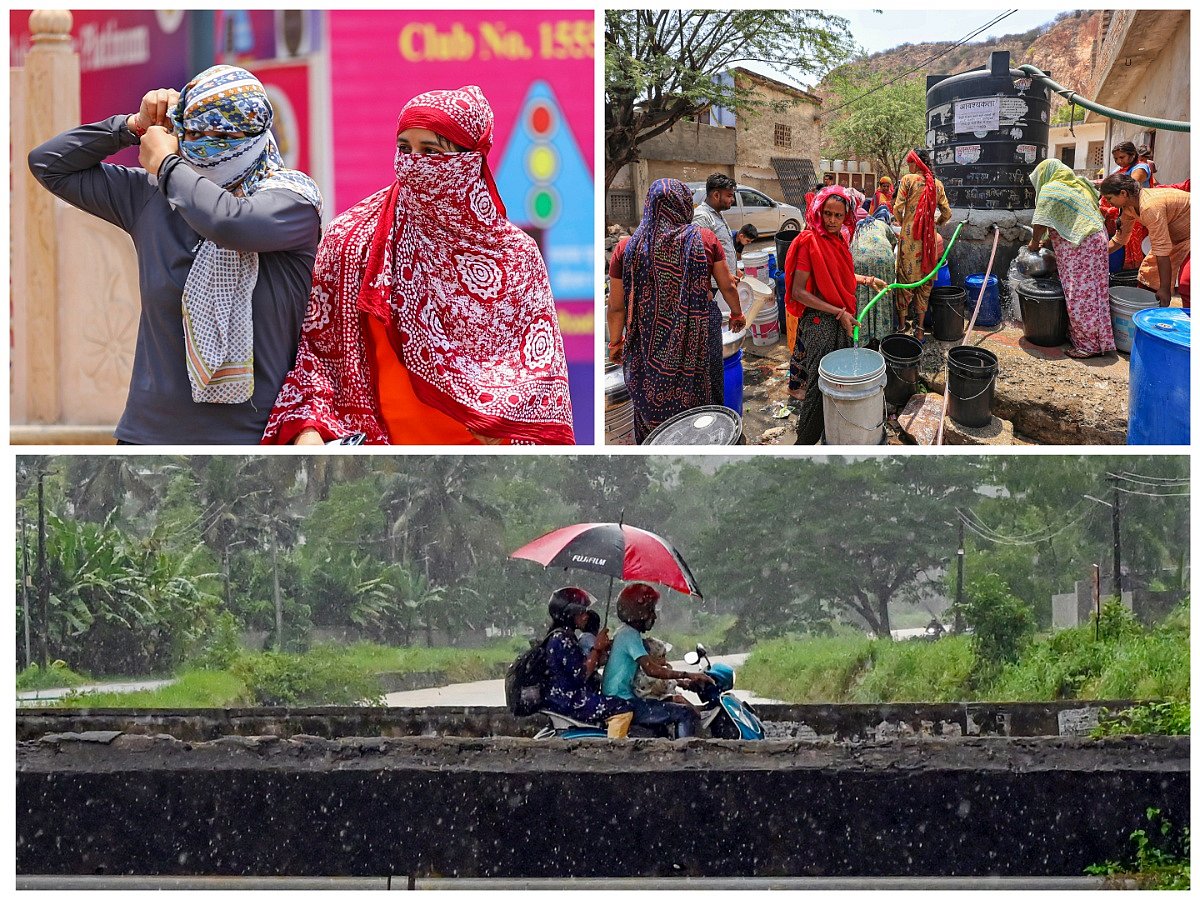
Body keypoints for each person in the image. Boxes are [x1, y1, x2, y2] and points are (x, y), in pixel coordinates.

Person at [263, 85, 574, 445]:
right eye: (404, 148)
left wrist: (506, 426)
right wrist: (309, 432)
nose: (413, 162)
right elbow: (317, 356)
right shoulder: (353, 241)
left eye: (430, 151)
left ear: (470, 160)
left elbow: (539, 369)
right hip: (380, 457)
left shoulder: (515, 255)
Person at [28, 66, 323, 444]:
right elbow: (49, 164)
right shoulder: (152, 195)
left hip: (250, 444)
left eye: (222, 136)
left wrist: (168, 165)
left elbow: (227, 223)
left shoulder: (291, 202)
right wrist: (132, 126)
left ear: (257, 135)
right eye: (194, 133)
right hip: (147, 438)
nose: (203, 146)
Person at [607, 179, 745, 443]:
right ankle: (709, 443)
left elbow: (616, 305)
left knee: (651, 407)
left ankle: (658, 446)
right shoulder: (704, 239)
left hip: (646, 341)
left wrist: (616, 342)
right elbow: (727, 285)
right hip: (699, 336)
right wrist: (737, 313)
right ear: (684, 205)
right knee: (705, 399)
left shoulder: (626, 248)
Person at [784, 186, 888, 444]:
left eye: (838, 215)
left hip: (840, 318)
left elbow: (841, 276)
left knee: (839, 386)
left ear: (846, 217)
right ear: (819, 212)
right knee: (819, 387)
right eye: (827, 214)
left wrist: (867, 279)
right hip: (820, 323)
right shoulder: (809, 241)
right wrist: (838, 312)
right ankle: (803, 446)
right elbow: (798, 292)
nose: (831, 220)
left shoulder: (839, 240)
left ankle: (833, 435)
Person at [1027, 159, 1117, 359]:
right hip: (1096, 239)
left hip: (1081, 246)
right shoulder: (1077, 186)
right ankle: (1098, 339)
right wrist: (1048, 241)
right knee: (1096, 291)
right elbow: (1067, 219)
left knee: (1080, 293)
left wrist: (1034, 243)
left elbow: (1040, 222)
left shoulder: (1051, 189)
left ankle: (1088, 345)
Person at [601, 584, 713, 739]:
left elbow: (648, 670)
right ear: (639, 612)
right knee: (685, 713)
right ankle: (685, 751)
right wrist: (689, 674)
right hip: (622, 702)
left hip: (621, 699)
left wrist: (682, 682)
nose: (653, 617)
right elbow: (651, 670)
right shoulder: (630, 635)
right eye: (651, 611)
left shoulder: (624, 633)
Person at [541, 587, 631, 726]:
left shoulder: (565, 636)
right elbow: (582, 674)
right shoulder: (561, 639)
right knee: (623, 706)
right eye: (581, 612)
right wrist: (597, 648)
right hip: (569, 701)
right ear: (569, 615)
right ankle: (615, 740)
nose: (586, 616)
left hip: (566, 698)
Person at [1101, 173, 1190, 309]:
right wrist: (1097, 254)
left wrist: (1165, 289)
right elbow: (1120, 239)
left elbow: (1161, 250)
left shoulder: (1149, 206)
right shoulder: (1129, 207)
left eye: (1109, 198)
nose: (1108, 203)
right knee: (1147, 278)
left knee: (1187, 283)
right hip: (1177, 239)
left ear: (1123, 193)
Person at [892, 148, 952, 343]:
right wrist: (936, 224)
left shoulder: (908, 180)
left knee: (903, 283)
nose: (908, 166)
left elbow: (897, 207)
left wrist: (904, 222)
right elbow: (947, 213)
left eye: (910, 163)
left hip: (910, 239)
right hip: (929, 242)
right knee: (924, 285)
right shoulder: (937, 184)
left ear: (916, 163)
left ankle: (902, 327)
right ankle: (919, 331)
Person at [850, 207, 898, 348]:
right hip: (884, 259)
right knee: (883, 293)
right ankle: (882, 337)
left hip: (859, 260)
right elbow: (893, 243)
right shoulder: (883, 225)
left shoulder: (857, 226)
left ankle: (862, 338)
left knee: (862, 295)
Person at [692, 173, 742, 291]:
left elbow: (723, 247)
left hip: (725, 282)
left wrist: (734, 269)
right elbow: (699, 257)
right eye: (729, 196)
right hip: (715, 287)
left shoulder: (717, 213)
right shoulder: (702, 217)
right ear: (716, 195)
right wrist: (723, 278)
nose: (732, 200)